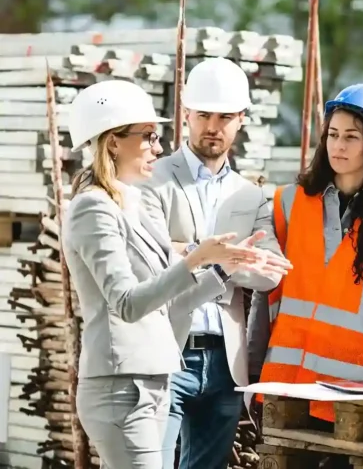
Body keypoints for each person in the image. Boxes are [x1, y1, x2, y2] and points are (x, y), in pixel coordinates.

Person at [61, 80, 281, 469]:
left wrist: (222, 267)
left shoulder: (127, 203)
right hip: (121, 386)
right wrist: (194, 260)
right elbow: (128, 304)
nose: (158, 147)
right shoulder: (92, 208)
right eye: (148, 136)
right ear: (113, 142)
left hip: (148, 382)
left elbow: (167, 299)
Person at [140, 58, 292, 469]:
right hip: (167, 351)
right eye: (203, 114)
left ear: (241, 119)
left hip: (225, 363)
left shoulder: (251, 195)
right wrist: (227, 258)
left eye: (224, 116)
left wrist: (193, 254)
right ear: (185, 114)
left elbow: (270, 273)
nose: (212, 126)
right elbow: (150, 261)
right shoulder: (153, 178)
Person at [252, 82, 363, 423]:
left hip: (353, 391)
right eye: (332, 135)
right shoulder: (289, 202)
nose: (338, 145)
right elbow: (264, 295)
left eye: (351, 137)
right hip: (286, 387)